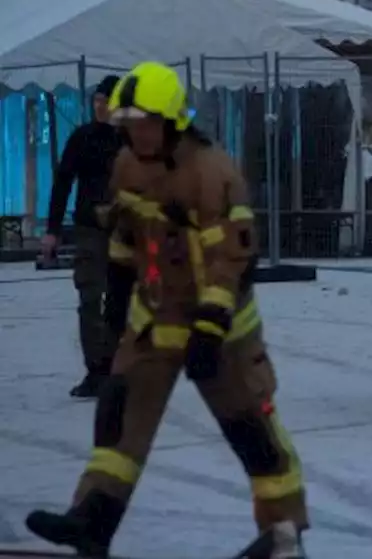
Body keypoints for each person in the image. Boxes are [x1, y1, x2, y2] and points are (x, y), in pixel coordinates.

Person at [25, 62, 309, 559]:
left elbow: (233, 260)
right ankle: (93, 519)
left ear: (172, 121)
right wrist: (116, 301)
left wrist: (210, 326)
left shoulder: (212, 172)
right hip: (155, 319)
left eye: (145, 123)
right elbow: (125, 235)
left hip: (222, 330)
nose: (136, 133)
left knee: (253, 431)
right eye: (128, 124)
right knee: (118, 419)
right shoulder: (128, 165)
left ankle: (284, 538)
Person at [44, 75, 126, 398]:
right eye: (96, 101)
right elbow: (63, 182)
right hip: (90, 230)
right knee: (90, 298)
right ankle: (97, 369)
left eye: (106, 101)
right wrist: (52, 230)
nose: (100, 107)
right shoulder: (83, 138)